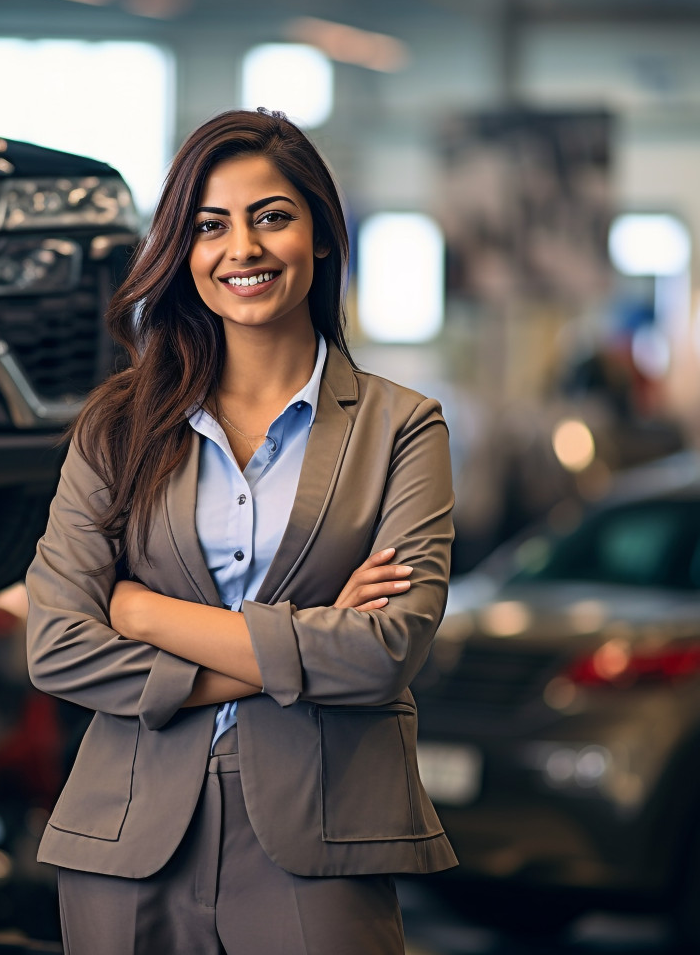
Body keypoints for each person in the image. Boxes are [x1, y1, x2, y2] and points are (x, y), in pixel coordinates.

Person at [26, 109, 457, 955]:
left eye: (272, 216)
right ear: (183, 253)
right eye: (210, 226)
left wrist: (149, 615)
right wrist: (300, 644)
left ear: (321, 235)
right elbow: (56, 644)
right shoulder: (117, 426)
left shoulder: (402, 427)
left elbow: (385, 652)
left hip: (324, 837)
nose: (242, 250)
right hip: (124, 834)